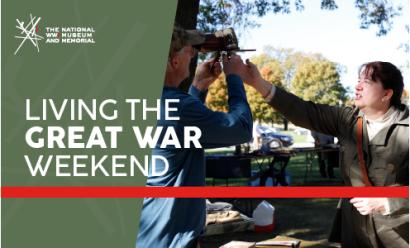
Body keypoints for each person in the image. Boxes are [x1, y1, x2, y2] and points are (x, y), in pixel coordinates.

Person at [243, 60, 408, 248]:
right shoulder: (347, 120)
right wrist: (258, 82)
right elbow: (303, 111)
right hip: (354, 230)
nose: (357, 86)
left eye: (367, 82)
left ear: (387, 94)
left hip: (397, 234)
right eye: (358, 80)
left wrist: (387, 202)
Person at [136, 26, 253, 248]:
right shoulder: (178, 107)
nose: (193, 54)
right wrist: (235, 78)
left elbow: (179, 134)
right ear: (173, 61)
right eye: (188, 50)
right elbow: (241, 128)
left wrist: (198, 87)